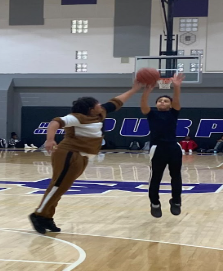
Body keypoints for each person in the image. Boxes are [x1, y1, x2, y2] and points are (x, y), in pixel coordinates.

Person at [29, 80, 142, 234]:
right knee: (57, 186)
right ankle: (38, 215)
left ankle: (47, 216)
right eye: (97, 104)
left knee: (62, 188)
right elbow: (55, 122)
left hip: (83, 156)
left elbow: (116, 102)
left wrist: (135, 89)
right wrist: (50, 139)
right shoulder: (76, 117)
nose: (100, 105)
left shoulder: (100, 114)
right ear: (90, 109)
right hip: (68, 153)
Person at [140, 73, 184, 218]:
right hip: (157, 149)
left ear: (170, 104)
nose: (163, 102)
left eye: (166, 101)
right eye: (160, 101)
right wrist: (147, 90)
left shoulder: (173, 113)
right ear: (156, 104)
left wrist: (176, 87)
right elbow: (143, 104)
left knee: (176, 176)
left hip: (173, 148)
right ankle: (155, 203)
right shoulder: (151, 114)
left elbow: (176, 100)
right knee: (156, 178)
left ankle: (176, 201)